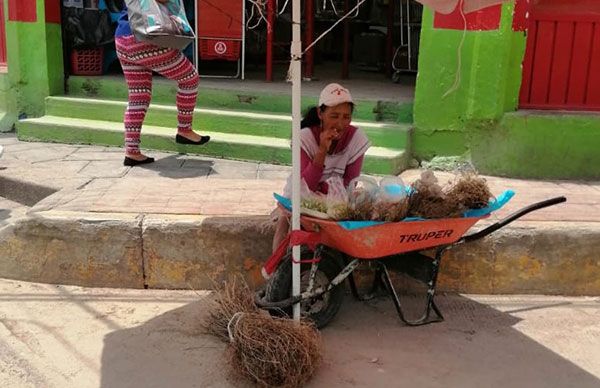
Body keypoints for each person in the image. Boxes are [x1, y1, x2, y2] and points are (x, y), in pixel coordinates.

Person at [272, 83, 371, 251]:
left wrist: (325, 189)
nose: (340, 124)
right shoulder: (305, 138)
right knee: (285, 223)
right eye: (334, 116)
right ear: (320, 113)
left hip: (335, 200)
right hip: (301, 196)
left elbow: (350, 183)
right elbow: (306, 185)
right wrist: (322, 150)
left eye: (346, 117)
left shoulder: (357, 139)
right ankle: (278, 273)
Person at [115, 1, 210, 166]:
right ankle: (184, 129)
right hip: (147, 39)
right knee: (190, 79)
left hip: (123, 39)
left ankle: (132, 151)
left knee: (139, 96)